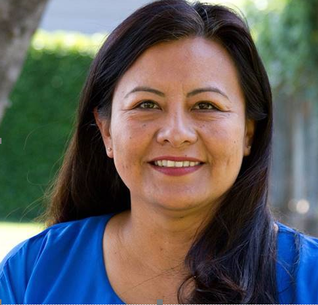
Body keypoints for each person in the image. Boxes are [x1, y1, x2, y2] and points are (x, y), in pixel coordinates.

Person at [1, 0, 318, 303]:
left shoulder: (310, 279)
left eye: (206, 106)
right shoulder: (31, 274)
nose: (176, 133)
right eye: (146, 105)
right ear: (106, 130)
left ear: (248, 132)